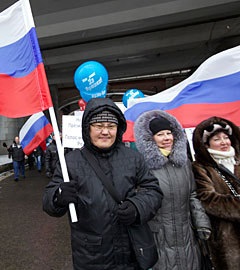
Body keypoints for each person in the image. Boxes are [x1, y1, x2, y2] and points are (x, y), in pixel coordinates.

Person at [42, 98, 163, 270]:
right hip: (92, 255)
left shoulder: (133, 158)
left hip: (132, 251)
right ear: (87, 128)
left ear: (118, 129)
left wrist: (137, 207)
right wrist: (58, 196)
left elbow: (153, 191)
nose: (105, 132)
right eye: (99, 126)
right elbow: (48, 201)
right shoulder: (70, 162)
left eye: (111, 126)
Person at [134, 110, 211, 270]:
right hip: (159, 237)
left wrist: (201, 222)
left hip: (187, 235)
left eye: (169, 133)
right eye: (160, 134)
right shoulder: (141, 167)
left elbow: (193, 194)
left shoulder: (184, 163)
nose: (167, 138)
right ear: (149, 139)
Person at [192, 116, 240, 270]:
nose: (224, 142)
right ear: (206, 144)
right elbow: (208, 199)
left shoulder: (238, 162)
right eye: (217, 139)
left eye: (226, 138)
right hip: (226, 237)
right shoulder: (201, 167)